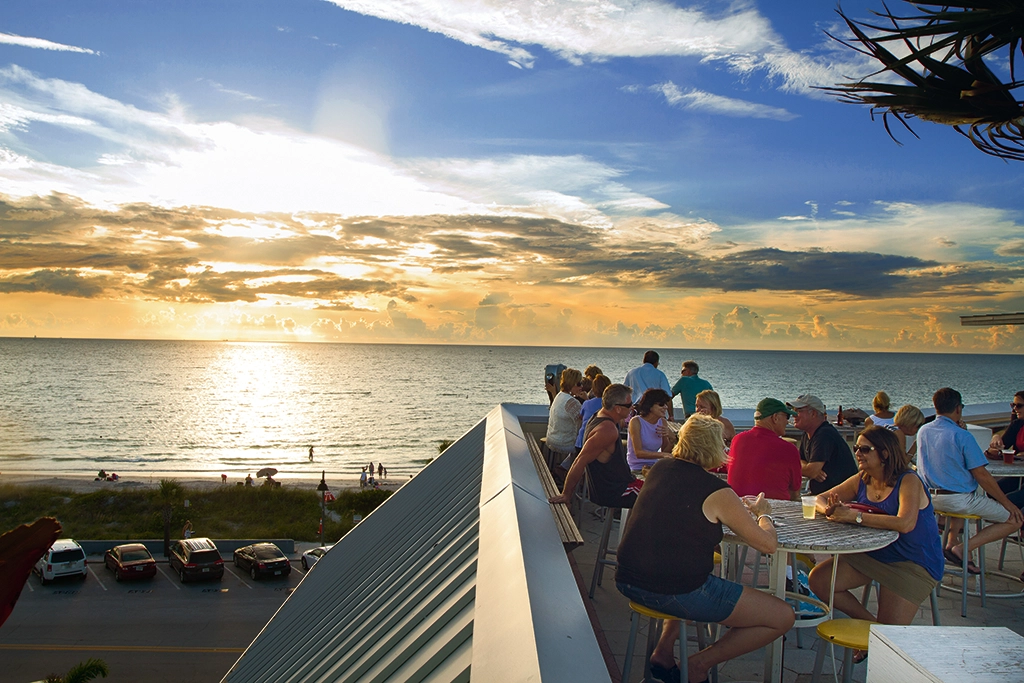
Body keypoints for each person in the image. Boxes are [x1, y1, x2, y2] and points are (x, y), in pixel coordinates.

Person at [614, 414, 795, 683]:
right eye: (723, 443)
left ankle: (663, 651)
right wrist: (763, 514)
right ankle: (699, 665)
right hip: (673, 589)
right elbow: (767, 544)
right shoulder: (717, 491)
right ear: (713, 447)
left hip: (628, 579)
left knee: (683, 568)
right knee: (782, 616)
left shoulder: (660, 469)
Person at [808, 427, 944, 640]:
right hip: (874, 554)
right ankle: (873, 628)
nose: (857, 453)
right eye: (856, 448)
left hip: (911, 562)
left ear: (885, 454)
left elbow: (905, 523)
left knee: (891, 641)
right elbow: (819, 498)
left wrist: (854, 517)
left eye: (865, 449)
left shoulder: (908, 480)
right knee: (819, 581)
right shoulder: (863, 479)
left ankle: (878, 638)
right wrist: (830, 510)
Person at [917, 387, 1023, 573]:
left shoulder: (923, 431)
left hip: (930, 499)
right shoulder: (962, 436)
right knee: (1014, 520)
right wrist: (1008, 504)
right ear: (958, 408)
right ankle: (963, 548)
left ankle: (952, 543)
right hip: (958, 500)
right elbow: (981, 475)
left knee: (964, 491)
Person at [549, 384, 643, 509]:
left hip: (622, 484)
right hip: (616, 490)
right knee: (661, 496)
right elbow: (580, 461)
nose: (632, 407)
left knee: (658, 487)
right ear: (618, 408)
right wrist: (566, 494)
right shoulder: (607, 430)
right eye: (629, 404)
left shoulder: (599, 415)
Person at [728, 398, 801, 501]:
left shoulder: (738, 440)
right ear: (775, 418)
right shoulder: (788, 449)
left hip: (738, 505)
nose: (787, 422)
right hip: (773, 508)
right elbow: (795, 492)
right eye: (787, 417)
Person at [790, 394, 857, 496]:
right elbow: (801, 461)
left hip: (840, 498)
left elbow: (811, 471)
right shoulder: (808, 434)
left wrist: (810, 470)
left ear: (813, 413)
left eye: (798, 411)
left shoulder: (824, 434)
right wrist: (808, 468)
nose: (793, 415)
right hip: (824, 495)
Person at [626, 388, 677, 471]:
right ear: (650, 406)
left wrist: (672, 440)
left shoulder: (662, 422)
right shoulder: (636, 422)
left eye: (666, 404)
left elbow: (665, 451)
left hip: (654, 466)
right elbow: (638, 453)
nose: (666, 407)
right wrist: (662, 455)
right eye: (661, 404)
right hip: (636, 467)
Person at [546, 367, 585, 464]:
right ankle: (568, 469)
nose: (581, 387)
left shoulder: (560, 395)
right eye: (579, 384)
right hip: (565, 444)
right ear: (571, 384)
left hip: (552, 439)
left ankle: (563, 467)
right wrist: (587, 400)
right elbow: (586, 420)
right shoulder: (571, 402)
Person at [623, 351, 674, 419]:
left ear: (643, 360)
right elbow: (668, 396)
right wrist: (671, 416)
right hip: (654, 410)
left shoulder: (631, 373)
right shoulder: (660, 374)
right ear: (656, 362)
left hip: (636, 410)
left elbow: (624, 392)